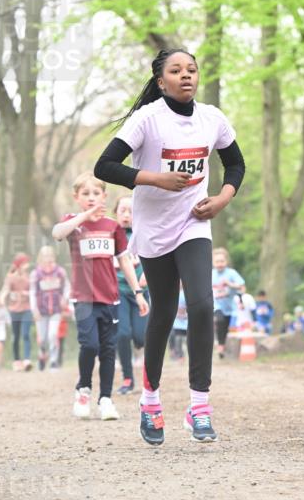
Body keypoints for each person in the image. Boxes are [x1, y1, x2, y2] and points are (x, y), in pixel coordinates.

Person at [94, 47, 245, 446]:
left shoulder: (212, 118)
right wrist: (155, 179)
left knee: (202, 304)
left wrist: (222, 199)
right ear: (161, 81)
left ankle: (199, 406)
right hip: (154, 230)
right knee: (162, 312)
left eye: (191, 69)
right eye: (175, 71)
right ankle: (150, 400)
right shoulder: (148, 120)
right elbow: (104, 166)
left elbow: (236, 164)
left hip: (194, 224)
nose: (186, 76)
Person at [52, 172, 149, 421]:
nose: (91, 197)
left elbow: (125, 261)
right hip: (83, 297)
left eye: (96, 193)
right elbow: (57, 233)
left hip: (110, 297)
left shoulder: (112, 227)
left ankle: (105, 399)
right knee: (90, 345)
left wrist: (138, 293)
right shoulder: (73, 223)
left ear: (105, 196)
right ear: (77, 197)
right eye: (86, 194)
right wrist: (85, 216)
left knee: (107, 349)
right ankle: (83, 390)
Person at [113, 195, 149, 394]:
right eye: (122, 211)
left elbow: (158, 254)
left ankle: (147, 370)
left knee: (140, 337)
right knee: (122, 334)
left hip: (142, 293)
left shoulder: (144, 233)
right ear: (115, 213)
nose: (126, 216)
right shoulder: (110, 234)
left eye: (131, 211)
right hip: (119, 291)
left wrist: (148, 275)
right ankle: (127, 378)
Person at [30, 245, 69, 371]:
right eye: (45, 256)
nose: (48, 258)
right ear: (40, 258)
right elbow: (32, 292)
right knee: (42, 339)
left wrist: (65, 298)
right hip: (41, 310)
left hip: (56, 310)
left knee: (53, 335)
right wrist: (34, 309)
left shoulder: (60, 272)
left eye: (50, 255)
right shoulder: (36, 273)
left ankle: (53, 361)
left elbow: (67, 287)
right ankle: (42, 355)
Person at [0, 252, 33, 370]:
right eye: (24, 263)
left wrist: (27, 293)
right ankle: (16, 360)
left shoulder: (29, 277)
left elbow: (34, 291)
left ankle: (27, 360)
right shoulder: (11, 277)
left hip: (27, 309)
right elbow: (5, 290)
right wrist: (2, 298)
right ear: (19, 265)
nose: (27, 265)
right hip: (14, 310)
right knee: (15, 336)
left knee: (26, 334)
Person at [212, 247, 245, 359]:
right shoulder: (210, 274)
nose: (220, 264)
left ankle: (223, 347)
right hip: (216, 305)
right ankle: (220, 346)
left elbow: (241, 286)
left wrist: (230, 284)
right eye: (217, 261)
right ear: (213, 262)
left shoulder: (231, 273)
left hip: (230, 307)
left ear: (226, 261)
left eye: (222, 261)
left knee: (226, 328)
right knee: (220, 320)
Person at [169, 289, 188, 361]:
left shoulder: (186, 292)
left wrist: (183, 312)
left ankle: (180, 355)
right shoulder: (172, 293)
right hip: (176, 322)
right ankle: (179, 355)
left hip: (186, 321)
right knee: (176, 338)